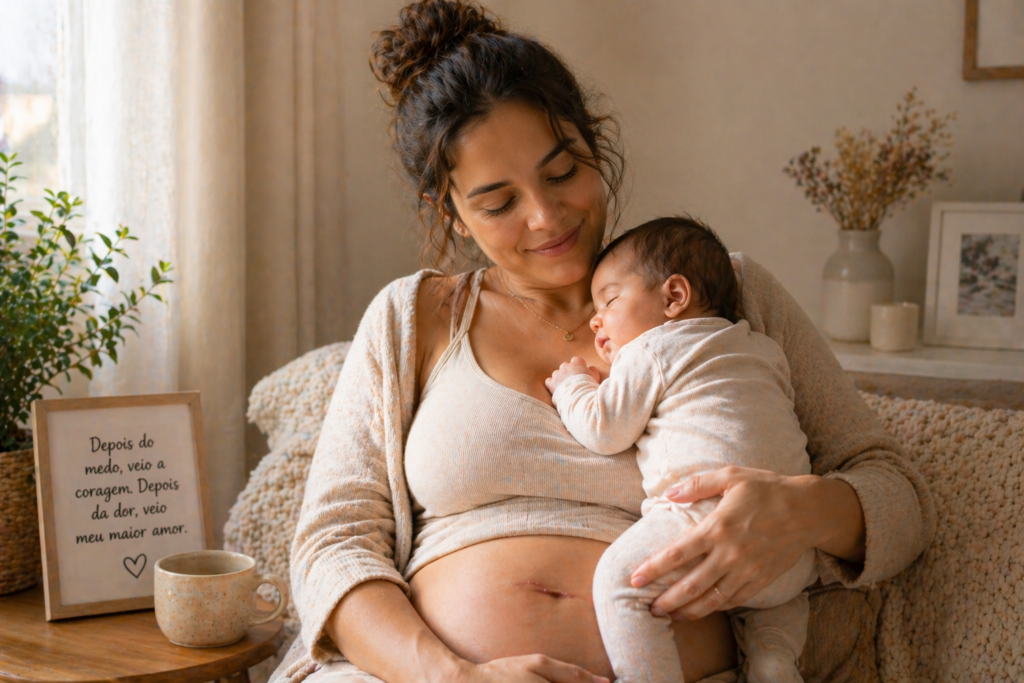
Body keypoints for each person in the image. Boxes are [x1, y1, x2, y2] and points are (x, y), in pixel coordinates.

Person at [271, 2, 934, 682]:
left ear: (596, 145)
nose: (546, 215)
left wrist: (805, 512)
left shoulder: (723, 293)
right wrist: (451, 675)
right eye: (499, 202)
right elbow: (332, 546)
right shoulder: (413, 317)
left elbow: (900, 495)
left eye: (563, 172)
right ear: (453, 212)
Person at [545, 217, 817, 683]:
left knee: (621, 585)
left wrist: (574, 386)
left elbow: (604, 429)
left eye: (609, 300)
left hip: (704, 513)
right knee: (775, 611)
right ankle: (775, 661)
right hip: (789, 546)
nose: (595, 319)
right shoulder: (762, 348)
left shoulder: (651, 350)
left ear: (674, 297)